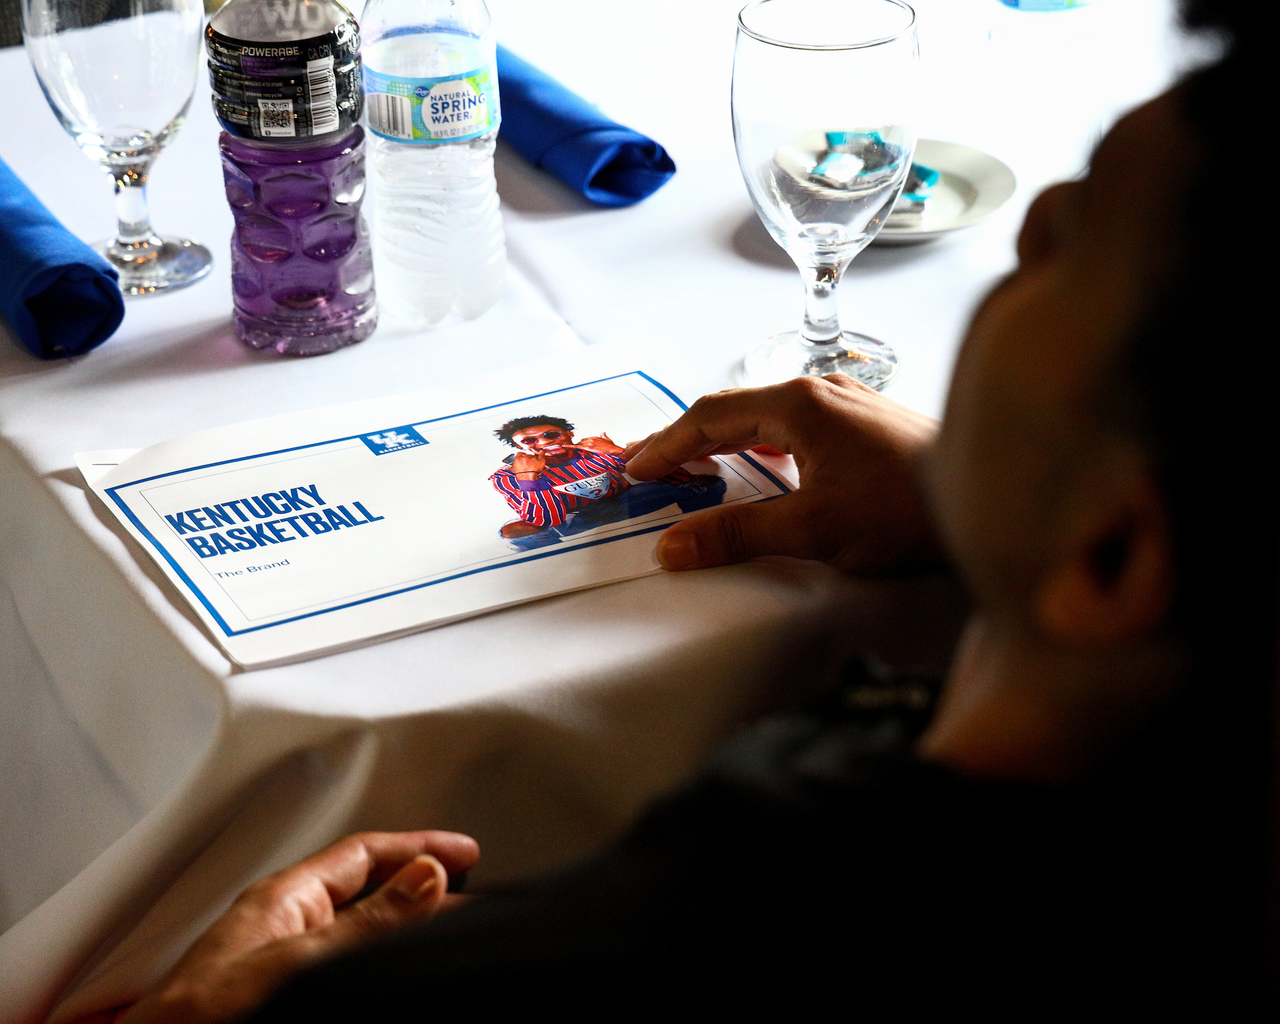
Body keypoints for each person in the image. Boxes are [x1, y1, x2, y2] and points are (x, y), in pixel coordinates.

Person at [105, 2, 1273, 1019]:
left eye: (1064, 247)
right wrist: (951, 504)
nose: (1026, 220)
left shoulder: (691, 931)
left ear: (1113, 556)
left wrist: (192, 1013)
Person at [490, 415, 726, 549]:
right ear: (520, 447)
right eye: (529, 441)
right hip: (572, 520)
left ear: (568, 433)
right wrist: (529, 478)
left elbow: (679, 478)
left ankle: (695, 529)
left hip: (627, 500)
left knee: (709, 483)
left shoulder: (595, 450)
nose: (542, 442)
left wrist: (619, 453)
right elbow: (547, 520)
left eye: (551, 435)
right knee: (514, 532)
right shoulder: (508, 475)